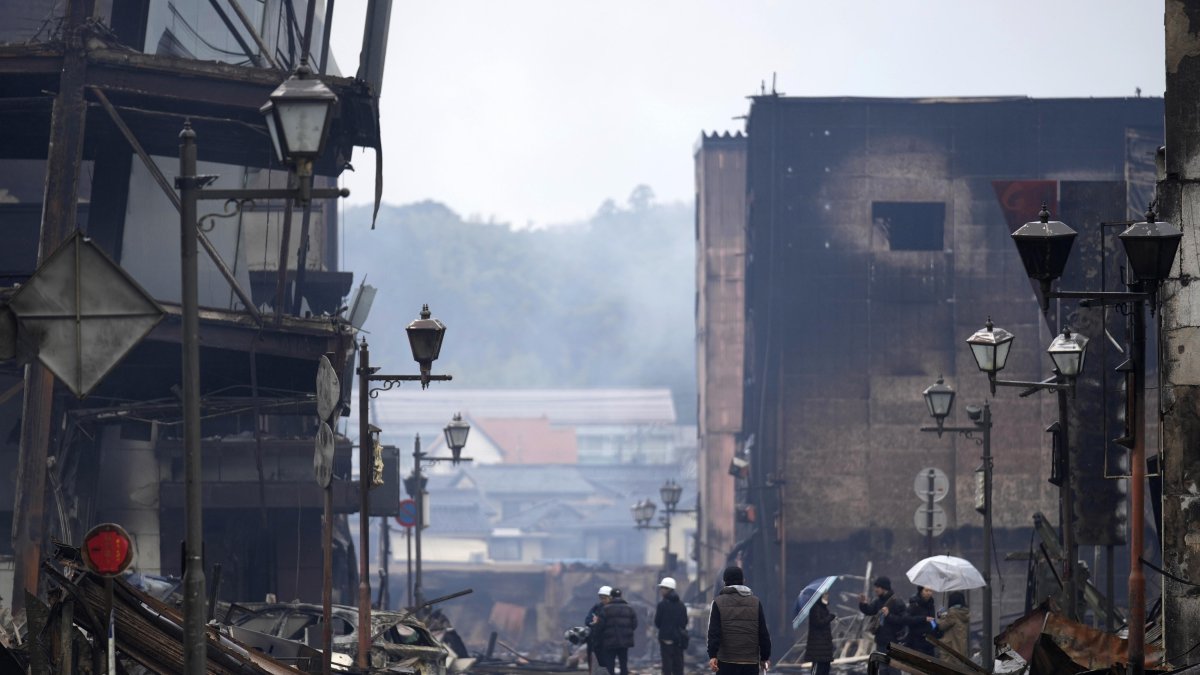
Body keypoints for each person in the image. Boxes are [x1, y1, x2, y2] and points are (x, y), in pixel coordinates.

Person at [707, 566, 771, 675]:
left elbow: (714, 632)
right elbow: (763, 633)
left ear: (724, 582)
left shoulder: (718, 603)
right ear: (743, 581)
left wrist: (713, 655)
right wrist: (765, 657)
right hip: (750, 663)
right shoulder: (755, 602)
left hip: (726, 662)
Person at [593, 587, 637, 675]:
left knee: (610, 665)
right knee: (623, 665)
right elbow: (634, 625)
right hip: (624, 642)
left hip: (610, 642)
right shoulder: (629, 608)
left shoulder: (605, 609)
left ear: (611, 597)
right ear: (621, 596)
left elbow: (600, 627)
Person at [655, 577, 689, 675]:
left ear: (668, 589)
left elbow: (657, 622)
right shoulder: (681, 605)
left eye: (663, 588)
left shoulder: (662, 605)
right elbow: (684, 622)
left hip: (666, 639)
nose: (661, 590)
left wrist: (665, 628)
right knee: (678, 665)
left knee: (667, 666)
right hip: (678, 639)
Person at [894, 586, 937, 656]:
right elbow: (906, 619)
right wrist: (923, 619)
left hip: (929, 643)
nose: (929, 593)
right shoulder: (914, 604)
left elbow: (932, 620)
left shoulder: (931, 605)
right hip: (916, 642)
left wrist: (935, 627)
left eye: (931, 591)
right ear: (921, 591)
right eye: (926, 590)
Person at [803, 593, 834, 675]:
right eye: (825, 595)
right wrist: (829, 617)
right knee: (817, 670)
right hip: (818, 647)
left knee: (825, 669)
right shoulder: (815, 608)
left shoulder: (824, 609)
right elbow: (818, 622)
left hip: (825, 647)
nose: (827, 597)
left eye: (827, 595)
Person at [933, 591, 969, 661]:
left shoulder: (952, 613)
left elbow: (941, 626)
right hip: (961, 647)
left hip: (951, 649)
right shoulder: (964, 613)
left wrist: (941, 616)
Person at [585, 586, 613, 675]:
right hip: (596, 639)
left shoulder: (614, 608)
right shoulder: (597, 607)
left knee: (607, 661)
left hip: (608, 639)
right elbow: (588, 620)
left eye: (605, 598)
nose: (603, 600)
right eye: (601, 598)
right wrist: (593, 622)